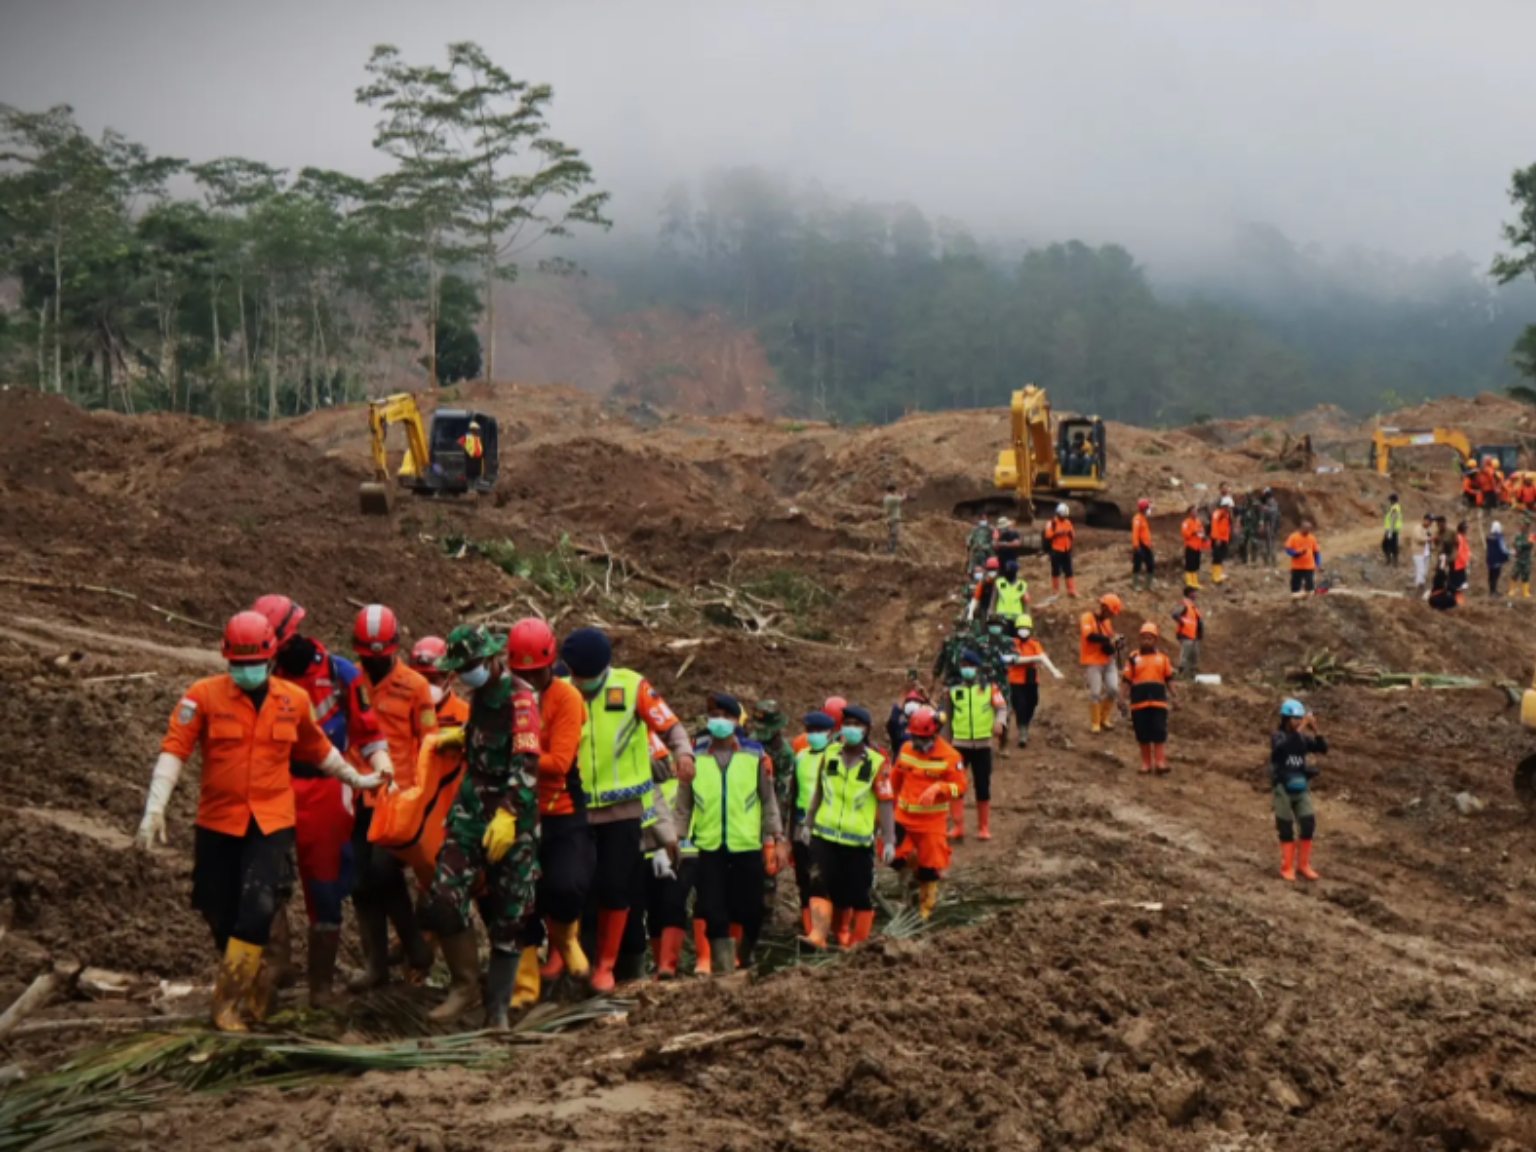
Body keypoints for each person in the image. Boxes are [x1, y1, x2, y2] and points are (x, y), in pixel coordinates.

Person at [133, 611, 386, 1031]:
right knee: (218, 909)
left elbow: (319, 749)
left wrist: (357, 777)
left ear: (271, 658)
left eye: (254, 664)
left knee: (259, 908)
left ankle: (227, 1004)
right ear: (226, 658)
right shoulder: (202, 696)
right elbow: (174, 749)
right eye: (239, 664)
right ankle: (248, 984)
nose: (247, 672)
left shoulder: (292, 700)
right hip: (217, 821)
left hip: (270, 822)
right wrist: (155, 806)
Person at [250, 595, 393, 1007]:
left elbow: (368, 731)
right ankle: (276, 967)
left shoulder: (340, 673)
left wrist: (380, 764)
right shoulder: (263, 675)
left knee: (325, 882)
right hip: (274, 784)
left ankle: (321, 987)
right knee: (264, 874)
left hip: (327, 786)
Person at [420, 624, 543, 1029]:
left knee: (510, 914)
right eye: (462, 667)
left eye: (473, 664)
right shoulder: (479, 698)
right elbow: (484, 738)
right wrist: (461, 736)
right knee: (442, 896)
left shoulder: (521, 698)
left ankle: (499, 1011)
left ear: (492, 659)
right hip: (471, 812)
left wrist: (509, 814)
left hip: (513, 818)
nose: (467, 673)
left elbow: (525, 764)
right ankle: (464, 986)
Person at [560, 627, 692, 992]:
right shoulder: (562, 689)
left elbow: (671, 725)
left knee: (616, 888)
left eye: (587, 676)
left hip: (624, 811)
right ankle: (576, 964)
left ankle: (605, 966)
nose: (581, 682)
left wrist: (683, 753)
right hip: (576, 807)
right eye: (576, 674)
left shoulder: (632, 687)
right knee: (577, 887)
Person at [494, 618, 594, 991]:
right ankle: (525, 979)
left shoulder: (566, 698)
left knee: (565, 885)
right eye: (522, 672)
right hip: (516, 808)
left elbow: (559, 764)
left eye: (535, 672)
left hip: (561, 809)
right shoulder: (504, 697)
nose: (529, 680)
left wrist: (518, 752)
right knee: (515, 895)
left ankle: (566, 939)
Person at [348, 605, 438, 994]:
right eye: (368, 653)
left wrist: (423, 796)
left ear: (394, 647)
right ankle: (377, 965)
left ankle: (415, 946)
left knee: (381, 873)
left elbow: (428, 742)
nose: (374, 660)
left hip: (399, 800)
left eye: (380, 653)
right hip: (356, 794)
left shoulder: (415, 687)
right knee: (359, 882)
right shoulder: (351, 680)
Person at [672, 692, 786, 973]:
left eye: (725, 716)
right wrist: (675, 839)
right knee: (712, 909)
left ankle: (744, 953)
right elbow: (683, 804)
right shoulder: (695, 757)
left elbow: (768, 799)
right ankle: (724, 971)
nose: (718, 721)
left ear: (736, 721)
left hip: (746, 844)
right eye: (714, 716)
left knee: (752, 910)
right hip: (710, 845)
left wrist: (777, 839)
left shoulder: (754, 755)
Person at [799, 704, 894, 949]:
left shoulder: (877, 763)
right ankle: (818, 935)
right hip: (824, 835)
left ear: (867, 729)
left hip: (858, 842)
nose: (851, 729)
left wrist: (889, 839)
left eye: (857, 724)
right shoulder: (829, 755)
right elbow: (818, 792)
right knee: (818, 883)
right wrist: (808, 822)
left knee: (856, 895)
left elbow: (885, 802)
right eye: (847, 723)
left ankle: (856, 944)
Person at [889, 706, 968, 920]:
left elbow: (960, 787)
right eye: (914, 737)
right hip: (903, 818)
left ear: (935, 734)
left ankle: (924, 910)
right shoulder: (906, 750)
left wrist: (939, 788)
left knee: (930, 868)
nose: (918, 742)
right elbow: (894, 781)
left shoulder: (950, 757)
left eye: (923, 738)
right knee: (894, 858)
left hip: (931, 822)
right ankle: (909, 886)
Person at [787, 711, 838, 934]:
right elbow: (792, 795)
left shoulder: (837, 757)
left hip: (826, 827)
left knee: (823, 879)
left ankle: (825, 929)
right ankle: (809, 928)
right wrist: (790, 835)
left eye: (819, 731)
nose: (814, 735)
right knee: (803, 879)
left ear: (830, 733)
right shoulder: (800, 757)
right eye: (810, 731)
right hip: (801, 825)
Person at [944, 649, 1004, 840]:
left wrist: (999, 722)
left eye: (970, 666)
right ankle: (957, 826)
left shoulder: (989, 688)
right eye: (963, 666)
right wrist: (944, 745)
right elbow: (946, 719)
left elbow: (1001, 707)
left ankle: (983, 827)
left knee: (982, 785)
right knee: (956, 786)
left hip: (983, 744)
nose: (966, 670)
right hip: (958, 746)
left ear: (977, 668)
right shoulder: (953, 691)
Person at [1270, 699, 1326, 882]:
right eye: (1295, 718)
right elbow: (1283, 748)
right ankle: (1287, 867)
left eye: (1299, 718)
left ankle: (1303, 865)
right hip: (1283, 787)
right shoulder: (1278, 736)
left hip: (1300, 785)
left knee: (1308, 824)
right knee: (1285, 828)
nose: (1298, 721)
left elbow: (1322, 748)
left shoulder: (1301, 738)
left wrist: (1316, 728)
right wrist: (1302, 727)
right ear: (1286, 719)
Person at [750, 699, 796, 921]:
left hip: (771, 813)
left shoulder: (785, 755)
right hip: (746, 814)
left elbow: (783, 796)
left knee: (769, 867)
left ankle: (767, 912)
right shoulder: (750, 744)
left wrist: (778, 833)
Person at [1122, 622, 1177, 775]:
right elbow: (1126, 680)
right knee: (1142, 733)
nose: (1147, 641)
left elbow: (1169, 678)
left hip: (1158, 702)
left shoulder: (1163, 659)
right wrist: (1121, 697)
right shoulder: (1133, 658)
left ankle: (1160, 762)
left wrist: (1174, 696)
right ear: (1140, 639)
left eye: (1150, 638)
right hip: (1138, 703)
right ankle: (1145, 764)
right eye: (1144, 638)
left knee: (1159, 731)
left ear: (1155, 640)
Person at [1004, 615, 1061, 748]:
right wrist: (1035, 658)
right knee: (1019, 705)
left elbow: (1042, 657)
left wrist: (1053, 670)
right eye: (1021, 628)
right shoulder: (1012, 643)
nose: (1023, 630)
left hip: (1031, 679)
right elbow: (1015, 660)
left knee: (1033, 702)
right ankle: (1022, 731)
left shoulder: (1034, 643)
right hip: (1015, 680)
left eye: (1026, 628)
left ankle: (1025, 724)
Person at [1079, 593, 1124, 734]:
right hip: (1093, 661)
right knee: (1095, 693)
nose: (1112, 616)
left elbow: (1109, 637)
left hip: (1108, 660)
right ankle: (1095, 722)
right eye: (1111, 612)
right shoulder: (1087, 618)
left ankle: (1104, 717)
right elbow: (1090, 636)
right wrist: (1107, 639)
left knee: (1113, 689)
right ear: (1105, 608)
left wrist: (1116, 642)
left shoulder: (1106, 622)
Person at [1284, 521, 1322, 601]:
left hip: (1309, 566)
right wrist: (1296, 553)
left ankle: (1309, 601)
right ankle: (1295, 600)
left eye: (1309, 529)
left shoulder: (1312, 538)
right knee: (1295, 584)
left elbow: (1316, 552)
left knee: (1309, 585)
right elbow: (1287, 549)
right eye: (1306, 529)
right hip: (1297, 566)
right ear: (1301, 528)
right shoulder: (1293, 537)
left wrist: (1318, 563)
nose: (1308, 531)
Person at [1045, 504, 1077, 596]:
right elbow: (1048, 535)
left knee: (1069, 570)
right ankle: (1055, 590)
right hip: (1056, 550)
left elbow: (1073, 535)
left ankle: (1071, 590)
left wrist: (1069, 533)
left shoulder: (1068, 522)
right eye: (1062, 516)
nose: (1064, 518)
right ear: (1058, 514)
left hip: (1066, 549)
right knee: (1056, 570)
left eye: (1065, 516)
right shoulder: (1051, 523)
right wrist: (1057, 533)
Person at [1171, 586, 1202, 680]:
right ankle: (1181, 674)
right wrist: (1182, 622)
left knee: (1194, 655)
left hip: (1193, 635)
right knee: (1185, 655)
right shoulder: (1185, 604)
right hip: (1186, 633)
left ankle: (1191, 674)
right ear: (1189, 594)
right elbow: (1175, 614)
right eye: (1194, 592)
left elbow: (1197, 621)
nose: (1196, 594)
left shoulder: (1193, 606)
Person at [1180, 505, 1207, 590]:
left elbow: (1202, 531)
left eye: (1196, 511)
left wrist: (1203, 537)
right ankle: (1189, 582)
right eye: (1193, 511)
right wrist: (1193, 532)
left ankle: (1195, 582)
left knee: (1196, 564)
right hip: (1190, 546)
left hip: (1198, 546)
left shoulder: (1198, 522)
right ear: (1189, 513)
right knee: (1189, 565)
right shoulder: (1186, 522)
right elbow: (1184, 533)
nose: (1195, 513)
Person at [1130, 498, 1155, 591]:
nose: (1149, 509)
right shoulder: (1137, 519)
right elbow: (1135, 533)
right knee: (1137, 564)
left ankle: (1148, 585)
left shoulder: (1143, 518)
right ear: (1144, 508)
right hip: (1140, 545)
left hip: (1146, 545)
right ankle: (1135, 584)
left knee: (1151, 564)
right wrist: (1136, 545)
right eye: (1148, 507)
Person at [1210, 496, 1234, 585]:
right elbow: (1214, 527)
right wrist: (1217, 538)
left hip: (1223, 539)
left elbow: (1227, 528)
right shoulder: (1217, 513)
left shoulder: (1226, 515)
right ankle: (1215, 576)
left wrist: (1226, 539)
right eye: (1229, 507)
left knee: (1220, 558)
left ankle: (1219, 573)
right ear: (1225, 506)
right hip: (1217, 539)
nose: (1230, 509)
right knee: (1216, 557)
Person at [883, 484, 909, 554]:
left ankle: (891, 551)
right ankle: (890, 551)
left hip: (891, 519)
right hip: (893, 519)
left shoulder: (887, 498)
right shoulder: (891, 498)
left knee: (893, 535)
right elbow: (903, 499)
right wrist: (904, 494)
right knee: (893, 535)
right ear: (893, 491)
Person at [1487, 521, 1510, 596]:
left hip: (1490, 559)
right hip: (1497, 559)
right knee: (1496, 575)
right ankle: (1494, 591)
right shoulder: (1499, 537)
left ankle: (1492, 591)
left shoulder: (1488, 537)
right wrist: (1511, 552)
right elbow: (1503, 549)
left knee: (1491, 575)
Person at [1260, 488, 1281, 567]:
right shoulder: (1267, 503)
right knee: (1266, 544)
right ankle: (1268, 561)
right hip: (1268, 526)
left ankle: (1273, 562)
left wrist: (1265, 509)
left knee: (1271, 544)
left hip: (1271, 526)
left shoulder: (1272, 502)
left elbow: (1274, 512)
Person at [1411, 514, 1433, 590]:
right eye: (1429, 521)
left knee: (1424, 572)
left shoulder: (1428, 529)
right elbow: (1418, 538)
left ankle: (1421, 586)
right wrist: (1429, 539)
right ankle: (1418, 586)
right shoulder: (1417, 528)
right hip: (1418, 553)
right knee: (1420, 570)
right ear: (1424, 519)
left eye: (1431, 521)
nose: (1430, 523)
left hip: (1426, 553)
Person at [1452, 521, 1471, 605]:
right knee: (1458, 582)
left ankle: (1459, 596)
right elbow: (1459, 552)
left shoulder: (1462, 537)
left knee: (1462, 581)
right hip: (1458, 563)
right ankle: (1457, 596)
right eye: (1465, 529)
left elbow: (1464, 549)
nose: (1467, 530)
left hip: (1461, 563)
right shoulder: (1459, 537)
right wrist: (1465, 560)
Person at [1514, 520, 1534, 599]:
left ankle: (1525, 592)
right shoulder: (1518, 534)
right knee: (1514, 573)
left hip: (1526, 558)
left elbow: (1529, 544)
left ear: (1527, 526)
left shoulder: (1531, 535)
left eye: (1524, 525)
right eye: (1522, 524)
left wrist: (1521, 544)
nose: (1522, 526)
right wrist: (1519, 544)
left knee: (1526, 575)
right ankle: (1512, 590)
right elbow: (1515, 543)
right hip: (1519, 557)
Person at [1382, 493, 1403, 568]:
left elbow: (1393, 518)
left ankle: (1391, 561)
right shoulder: (1395, 507)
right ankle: (1393, 561)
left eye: (1390, 499)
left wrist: (1390, 530)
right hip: (1393, 529)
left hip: (1392, 529)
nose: (1389, 501)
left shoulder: (1395, 508)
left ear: (1393, 500)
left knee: (1386, 545)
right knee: (1392, 545)